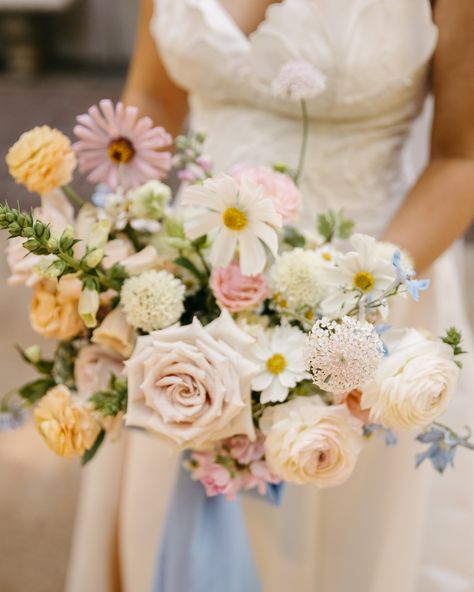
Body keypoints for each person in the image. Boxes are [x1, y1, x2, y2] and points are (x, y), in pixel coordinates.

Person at [66, 1, 474, 591]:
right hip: (183, 297)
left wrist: (347, 312)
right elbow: (154, 98)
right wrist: (116, 245)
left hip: (366, 311)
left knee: (343, 543)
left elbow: (461, 157)